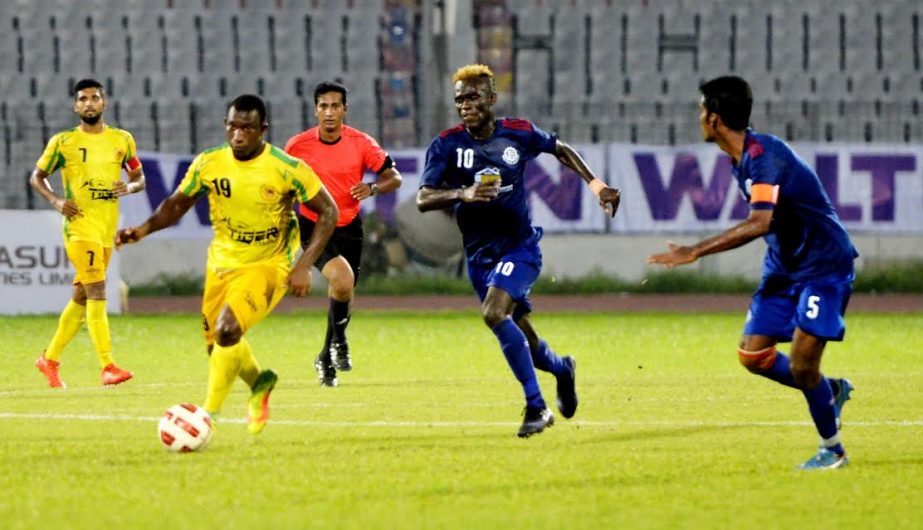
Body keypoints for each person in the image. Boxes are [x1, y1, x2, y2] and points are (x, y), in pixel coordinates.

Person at [647, 76, 856, 470]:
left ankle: (833, 450)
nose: (699, 118)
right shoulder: (740, 159)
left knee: (801, 365)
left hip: (822, 267)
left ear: (714, 118)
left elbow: (760, 222)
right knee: (753, 354)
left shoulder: (765, 156)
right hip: (785, 266)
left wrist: (696, 251)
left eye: (701, 110)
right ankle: (831, 390)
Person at [416, 64, 621, 438]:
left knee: (494, 313)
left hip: (520, 248)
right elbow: (423, 197)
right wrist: (463, 193)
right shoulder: (446, 144)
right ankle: (562, 369)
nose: (465, 105)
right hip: (480, 257)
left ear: (492, 99)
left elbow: (559, 149)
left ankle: (536, 407)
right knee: (525, 339)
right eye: (459, 99)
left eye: (473, 97)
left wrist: (597, 186)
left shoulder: (519, 132)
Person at [116, 94, 337, 435]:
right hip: (221, 263)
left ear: (262, 130)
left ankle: (206, 417)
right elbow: (176, 204)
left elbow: (329, 212)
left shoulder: (287, 168)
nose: (238, 134)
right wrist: (142, 230)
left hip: (268, 264)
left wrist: (304, 265)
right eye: (233, 126)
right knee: (217, 345)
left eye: (247, 128)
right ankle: (260, 382)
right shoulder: (210, 162)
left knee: (226, 330)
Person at [285, 81, 403, 387]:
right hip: (314, 225)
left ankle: (325, 357)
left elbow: (394, 177)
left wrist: (373, 187)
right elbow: (284, 187)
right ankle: (340, 344)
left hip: (350, 226)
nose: (329, 112)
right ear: (315, 110)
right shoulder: (297, 146)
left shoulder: (361, 143)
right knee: (342, 279)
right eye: (323, 106)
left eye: (335, 106)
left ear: (344, 110)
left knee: (342, 292)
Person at [31, 78, 145, 388]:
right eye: (83, 99)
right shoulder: (63, 142)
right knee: (97, 293)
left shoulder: (122, 140)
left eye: (94, 97)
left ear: (103, 103)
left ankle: (49, 359)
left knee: (81, 296)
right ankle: (107, 365)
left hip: (106, 228)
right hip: (79, 228)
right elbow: (37, 177)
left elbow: (139, 178)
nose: (89, 103)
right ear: (75, 105)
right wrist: (56, 200)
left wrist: (130, 186)